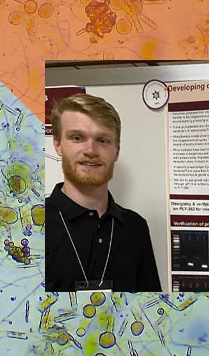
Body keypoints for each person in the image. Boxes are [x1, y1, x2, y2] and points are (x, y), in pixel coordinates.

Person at [44, 93, 162, 292]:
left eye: (102, 140)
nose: (91, 150)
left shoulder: (135, 227)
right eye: (77, 138)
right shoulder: (30, 224)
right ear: (58, 146)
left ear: (116, 150)